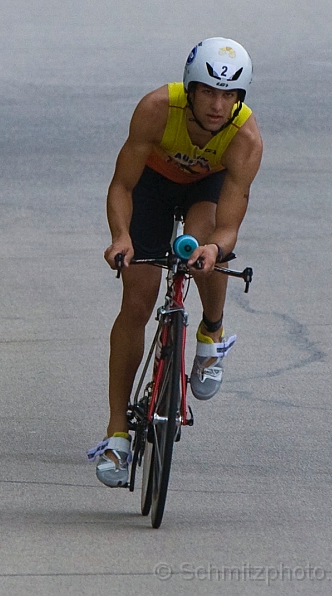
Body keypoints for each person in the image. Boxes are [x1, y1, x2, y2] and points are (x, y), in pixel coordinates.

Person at [87, 37, 263, 487]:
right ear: (191, 88)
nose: (218, 105)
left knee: (202, 243)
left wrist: (215, 251)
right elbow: (122, 185)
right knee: (137, 303)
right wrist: (121, 237)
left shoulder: (245, 138)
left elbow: (229, 223)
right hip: (153, 186)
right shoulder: (156, 108)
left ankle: (211, 333)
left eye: (229, 95)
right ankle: (117, 436)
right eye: (208, 91)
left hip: (208, 189)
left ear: (240, 99)